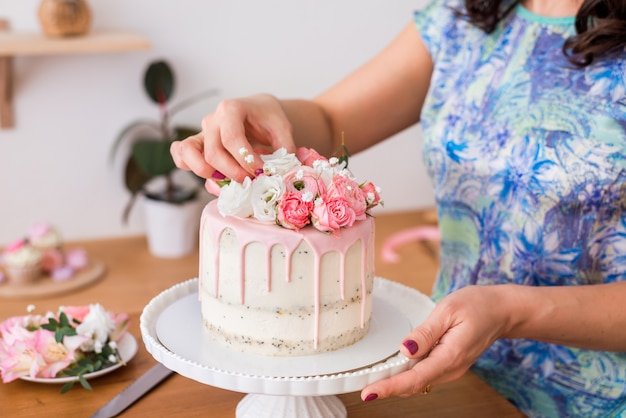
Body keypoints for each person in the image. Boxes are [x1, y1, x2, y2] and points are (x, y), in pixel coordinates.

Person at [171, 0, 626, 416]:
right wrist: (262, 111)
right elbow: (331, 120)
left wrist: (509, 310)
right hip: (451, 379)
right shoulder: (465, 17)